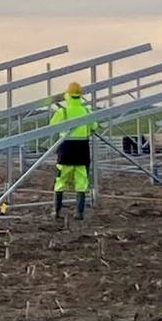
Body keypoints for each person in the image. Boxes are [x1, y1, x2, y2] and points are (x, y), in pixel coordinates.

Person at [49, 81, 94, 221]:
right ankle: (79, 212)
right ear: (80, 95)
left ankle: (56, 211)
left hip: (66, 149)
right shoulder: (87, 111)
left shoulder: (63, 111)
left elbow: (52, 126)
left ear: (67, 95)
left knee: (61, 180)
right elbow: (94, 126)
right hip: (82, 149)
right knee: (82, 181)